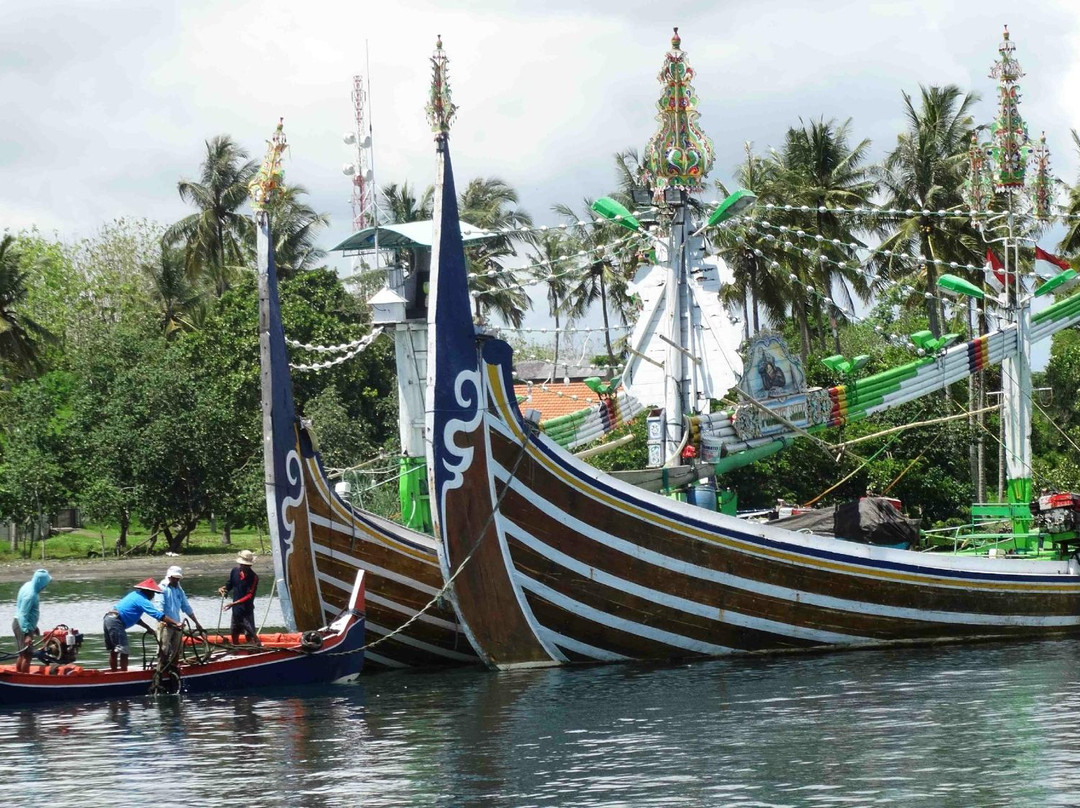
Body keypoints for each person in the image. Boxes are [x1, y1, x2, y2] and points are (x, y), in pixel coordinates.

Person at [104, 579, 179, 671]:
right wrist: (176, 623)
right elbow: (157, 614)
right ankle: (123, 674)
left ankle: (114, 673)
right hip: (116, 621)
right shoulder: (142, 600)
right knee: (124, 650)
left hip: (109, 618)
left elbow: (135, 618)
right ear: (148, 592)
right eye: (153, 593)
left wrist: (148, 628)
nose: (153, 595)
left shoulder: (134, 595)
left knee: (115, 650)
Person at [156, 565, 203, 669]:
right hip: (165, 624)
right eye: (175, 578)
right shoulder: (161, 588)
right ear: (170, 576)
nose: (177, 580)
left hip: (177, 625)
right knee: (163, 649)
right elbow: (159, 609)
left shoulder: (179, 589)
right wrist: (163, 621)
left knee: (177, 649)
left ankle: (174, 669)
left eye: (178, 578)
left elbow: (186, 606)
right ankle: (160, 670)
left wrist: (196, 622)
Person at [219, 550, 261, 646]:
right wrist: (223, 589)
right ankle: (236, 650)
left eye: (246, 565)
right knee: (234, 632)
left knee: (250, 634)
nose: (243, 567)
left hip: (247, 610)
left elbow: (250, 595)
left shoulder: (253, 577)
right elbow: (229, 585)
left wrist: (234, 603)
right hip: (236, 610)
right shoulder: (234, 571)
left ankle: (254, 649)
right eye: (242, 564)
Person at [12, 569, 51, 674]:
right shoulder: (30, 595)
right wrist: (26, 634)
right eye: (44, 584)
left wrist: (34, 626)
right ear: (40, 582)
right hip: (22, 625)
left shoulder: (28, 585)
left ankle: (19, 676)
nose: (45, 587)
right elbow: (23, 614)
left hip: (22, 624)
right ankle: (24, 678)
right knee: (27, 655)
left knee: (23, 654)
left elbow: (27, 613)